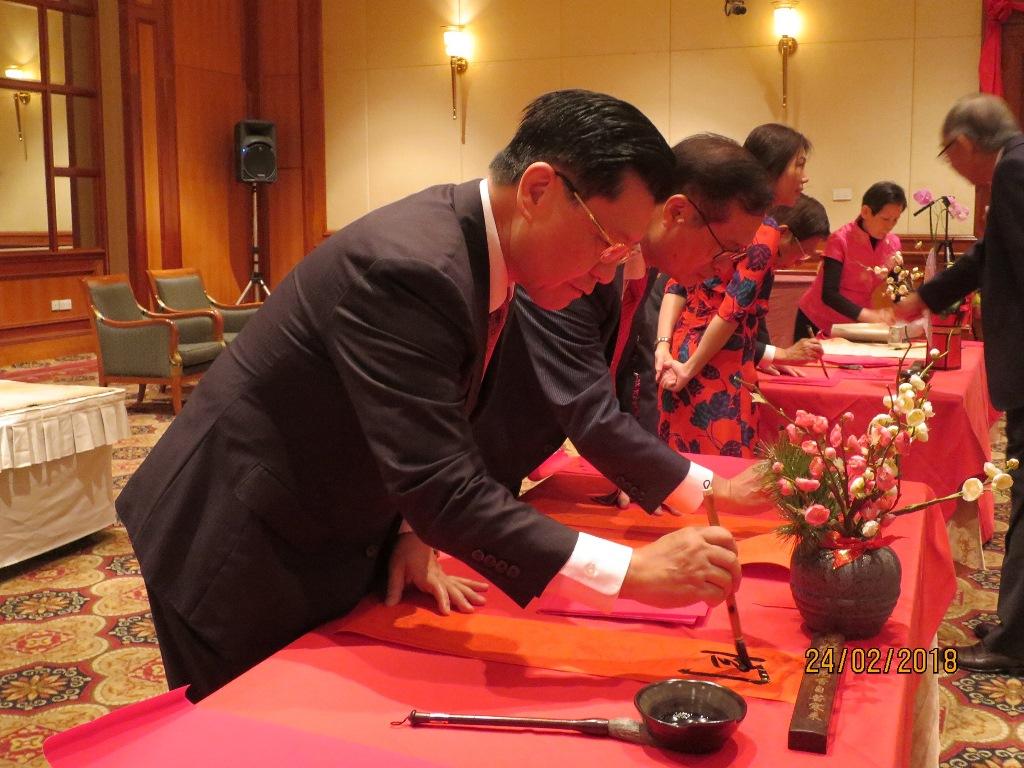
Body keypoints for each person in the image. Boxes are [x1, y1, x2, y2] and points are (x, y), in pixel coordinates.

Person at [115, 89, 745, 701]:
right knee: (252, 735)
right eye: (607, 244)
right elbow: (444, 482)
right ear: (538, 191)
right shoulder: (411, 267)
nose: (609, 270)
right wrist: (634, 572)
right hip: (235, 542)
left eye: (627, 251)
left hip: (329, 524)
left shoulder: (481, 252)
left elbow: (433, 426)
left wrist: (411, 529)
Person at [466, 134, 773, 525]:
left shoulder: (647, 270)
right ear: (678, 213)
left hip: (504, 469)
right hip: (468, 467)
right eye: (726, 250)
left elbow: (631, 377)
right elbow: (590, 412)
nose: (727, 270)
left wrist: (646, 476)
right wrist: (721, 490)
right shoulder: (582, 264)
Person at [895, 93, 1024, 674]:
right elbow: (985, 260)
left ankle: (1013, 644)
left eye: (949, 154)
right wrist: (923, 297)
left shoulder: (1016, 170)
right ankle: (1013, 626)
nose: (953, 165)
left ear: (966, 145)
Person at [656, 123, 810, 457]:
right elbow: (731, 310)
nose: (804, 176)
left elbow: (675, 283)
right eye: (798, 164)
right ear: (773, 166)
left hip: (682, 350)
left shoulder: (736, 221)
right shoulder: (765, 232)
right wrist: (691, 368)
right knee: (719, 472)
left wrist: (666, 348)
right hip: (717, 365)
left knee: (680, 459)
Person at [794, 181, 905, 338]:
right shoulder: (840, 239)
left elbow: (897, 288)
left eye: (895, 220)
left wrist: (908, 309)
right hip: (817, 318)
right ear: (866, 212)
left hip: (855, 324)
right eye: (886, 219)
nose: (890, 226)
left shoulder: (893, 243)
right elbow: (829, 294)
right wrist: (868, 315)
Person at [753, 193, 831, 370]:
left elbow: (756, 319)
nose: (799, 262)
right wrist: (780, 354)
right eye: (803, 252)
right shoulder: (740, 257)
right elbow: (720, 331)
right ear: (783, 233)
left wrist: (769, 358)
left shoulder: (766, 267)